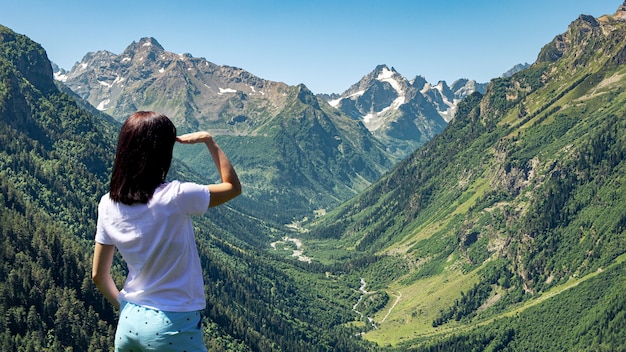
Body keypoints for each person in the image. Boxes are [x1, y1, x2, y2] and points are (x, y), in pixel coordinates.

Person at [91, 111, 241, 351]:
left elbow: (98, 275)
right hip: (173, 323)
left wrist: (127, 308)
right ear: (161, 154)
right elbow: (232, 187)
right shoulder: (176, 196)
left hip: (128, 323)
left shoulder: (107, 204)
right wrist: (209, 141)